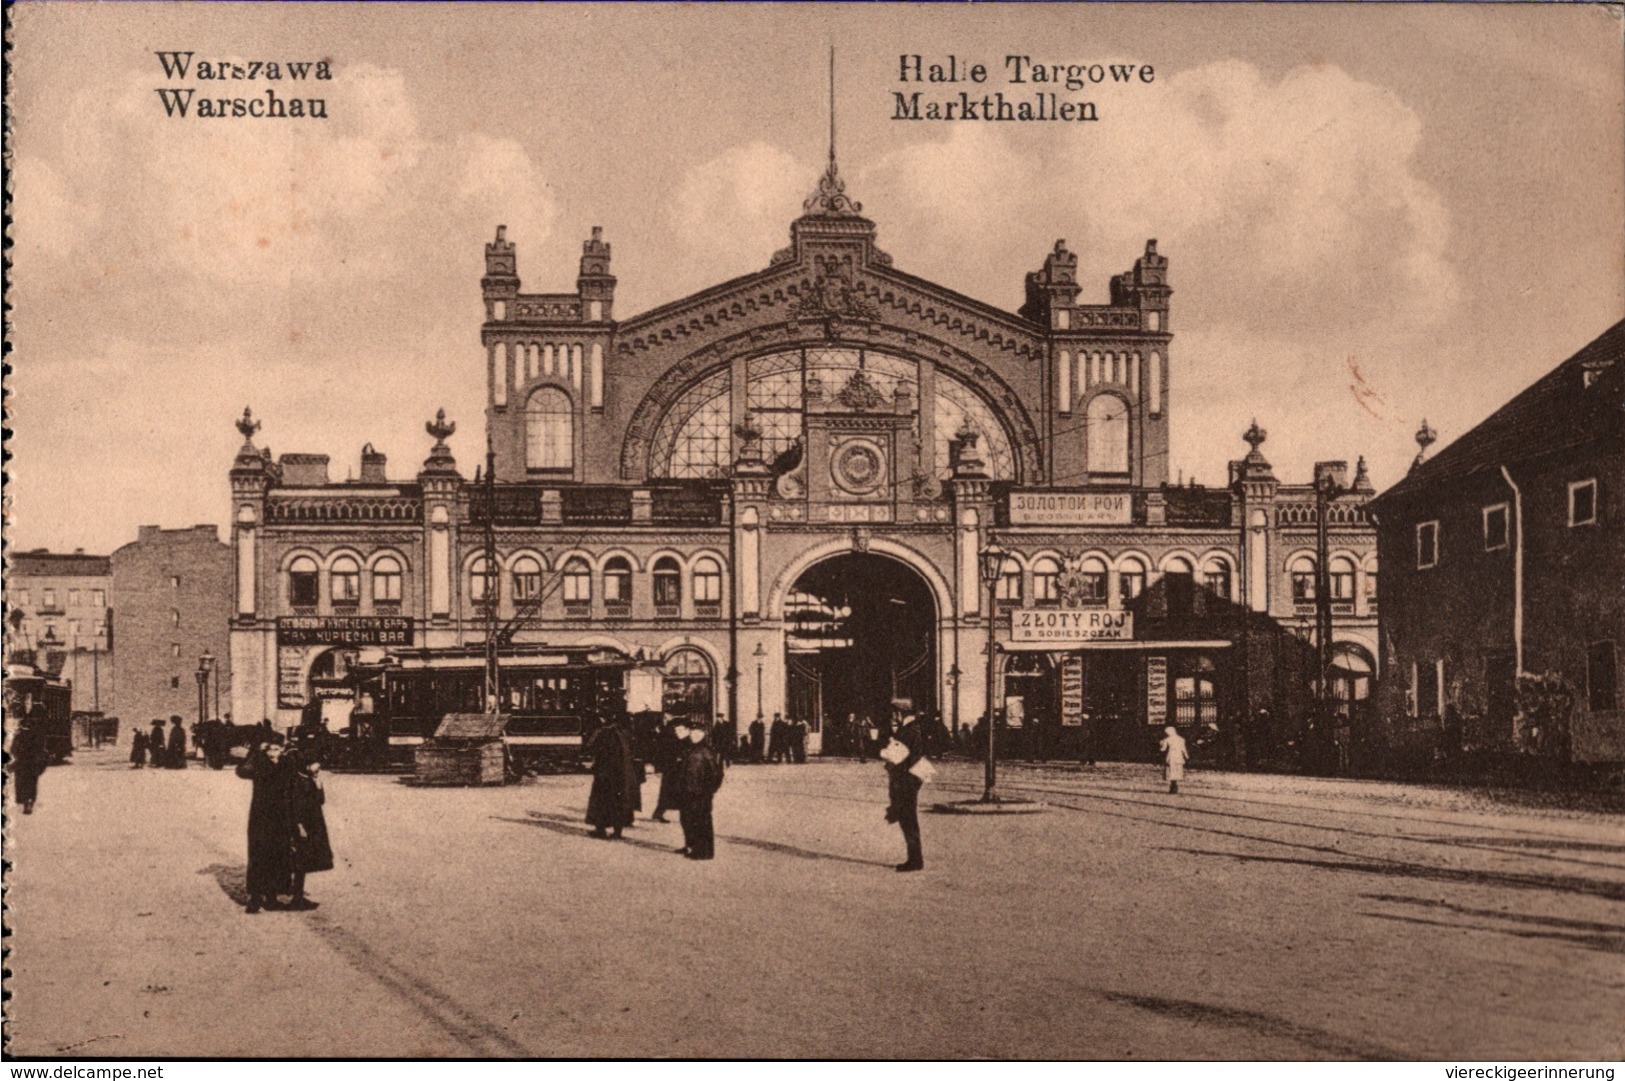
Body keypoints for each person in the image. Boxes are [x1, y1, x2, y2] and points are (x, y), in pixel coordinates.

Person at [236, 741, 294, 913]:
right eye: (270, 749)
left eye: (277, 749)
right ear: (265, 751)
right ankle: (254, 897)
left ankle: (272, 896)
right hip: (261, 815)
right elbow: (242, 772)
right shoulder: (259, 763)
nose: (273, 752)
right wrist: (248, 756)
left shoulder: (287, 764)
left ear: (283, 750)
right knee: (258, 852)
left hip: (281, 816)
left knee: (279, 853)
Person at [284, 749, 333, 911]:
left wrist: (319, 785)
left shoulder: (310, 779)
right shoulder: (297, 782)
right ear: (306, 765)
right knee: (300, 861)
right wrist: (299, 826)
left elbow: (320, 801)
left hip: (313, 824)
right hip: (303, 825)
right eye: (315, 765)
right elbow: (294, 807)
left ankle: (297, 896)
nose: (318, 768)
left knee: (304, 862)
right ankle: (296, 898)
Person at [883, 700, 926, 872]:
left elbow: (901, 758)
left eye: (895, 713)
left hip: (905, 782)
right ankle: (914, 859)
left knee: (908, 821)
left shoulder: (908, 731)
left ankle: (915, 860)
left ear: (901, 713)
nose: (893, 717)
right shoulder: (910, 730)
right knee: (907, 820)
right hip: (908, 781)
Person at [585, 716, 641, 840]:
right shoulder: (626, 733)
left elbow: (592, 748)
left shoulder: (603, 732)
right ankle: (617, 832)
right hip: (622, 775)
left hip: (605, 774)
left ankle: (600, 830)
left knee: (601, 802)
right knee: (619, 802)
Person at [677, 722, 725, 860]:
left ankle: (704, 852)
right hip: (688, 791)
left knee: (702, 822)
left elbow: (717, 774)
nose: (693, 735)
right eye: (692, 733)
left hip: (701, 793)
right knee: (691, 820)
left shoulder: (706, 752)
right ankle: (694, 847)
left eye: (697, 733)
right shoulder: (691, 749)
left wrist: (709, 791)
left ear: (703, 734)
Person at [10, 704, 51, 815]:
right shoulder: (38, 733)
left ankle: (25, 802)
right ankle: (29, 802)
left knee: (23, 783)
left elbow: (13, 749)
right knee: (31, 782)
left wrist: (17, 755)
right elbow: (41, 748)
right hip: (32, 762)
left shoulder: (20, 734)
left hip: (23, 762)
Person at [651, 717, 683, 823]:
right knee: (669, 789)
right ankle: (659, 812)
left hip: (671, 766)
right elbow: (666, 750)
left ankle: (659, 812)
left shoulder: (668, 732)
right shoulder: (670, 734)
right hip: (671, 766)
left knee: (668, 790)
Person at [1160, 725, 1189, 794]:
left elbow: (1163, 749)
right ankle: (1175, 785)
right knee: (1177, 770)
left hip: (1171, 755)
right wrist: (1186, 756)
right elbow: (1183, 749)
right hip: (1179, 756)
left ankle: (1173, 786)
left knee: (1171, 770)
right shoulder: (1181, 739)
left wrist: (1161, 744)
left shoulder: (1167, 739)